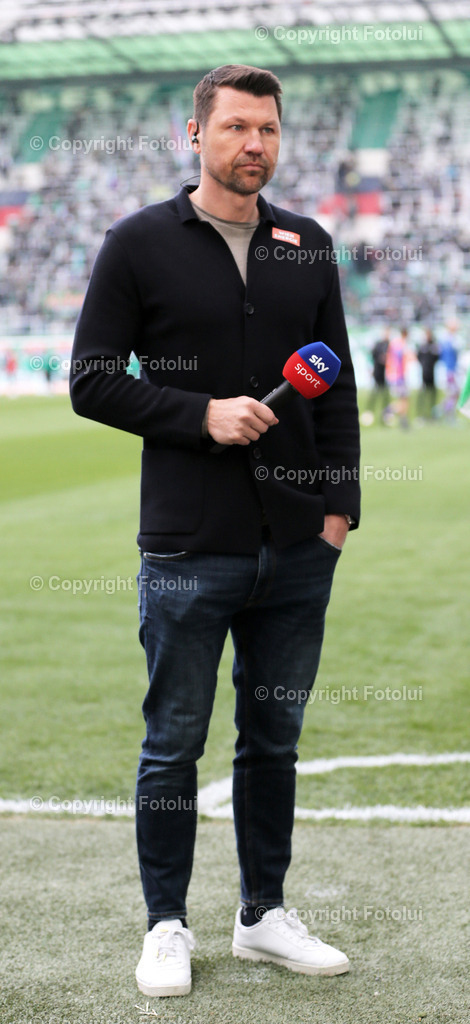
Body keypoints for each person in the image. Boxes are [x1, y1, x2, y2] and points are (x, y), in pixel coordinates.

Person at [70, 64, 361, 998]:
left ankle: (262, 915)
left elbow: (339, 385)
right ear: (194, 135)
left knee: (273, 739)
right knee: (174, 743)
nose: (254, 146)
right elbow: (92, 379)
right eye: (236, 128)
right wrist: (201, 414)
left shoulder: (307, 244)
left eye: (268, 130)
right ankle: (165, 924)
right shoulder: (138, 243)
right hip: (190, 546)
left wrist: (341, 510)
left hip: (297, 546)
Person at [416, 328, 440, 420]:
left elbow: (437, 358)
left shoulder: (434, 346)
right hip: (424, 374)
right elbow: (419, 357)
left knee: (433, 395)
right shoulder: (422, 347)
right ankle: (422, 414)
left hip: (432, 374)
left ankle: (433, 414)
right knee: (422, 395)